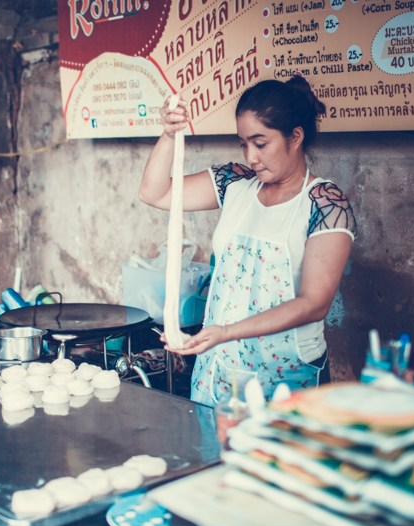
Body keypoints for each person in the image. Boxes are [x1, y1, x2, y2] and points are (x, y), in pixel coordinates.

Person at [138, 75, 356, 406]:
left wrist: (226, 331)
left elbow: (315, 303)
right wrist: (169, 135)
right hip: (219, 372)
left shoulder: (325, 204)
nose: (251, 156)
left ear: (295, 136)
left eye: (261, 143)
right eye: (244, 143)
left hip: (287, 380)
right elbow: (155, 193)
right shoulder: (236, 184)